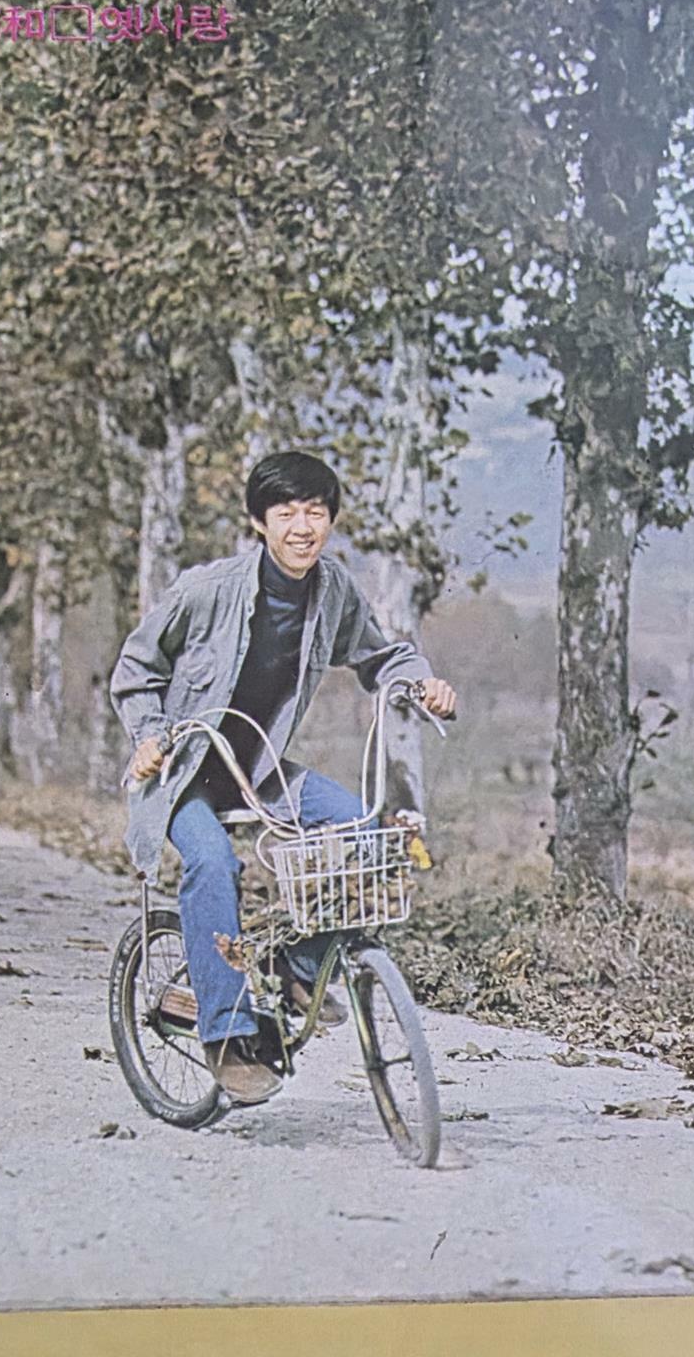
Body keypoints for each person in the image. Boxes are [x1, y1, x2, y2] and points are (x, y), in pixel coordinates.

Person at [109, 451, 458, 1107]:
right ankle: (226, 1034)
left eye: (315, 512)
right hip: (183, 771)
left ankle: (293, 967)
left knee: (366, 834)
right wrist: (149, 735)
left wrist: (422, 683)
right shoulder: (207, 589)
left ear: (331, 520)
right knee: (212, 862)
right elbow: (137, 666)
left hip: (256, 770)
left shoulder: (333, 592)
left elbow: (382, 657)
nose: (303, 527)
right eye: (287, 513)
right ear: (258, 521)